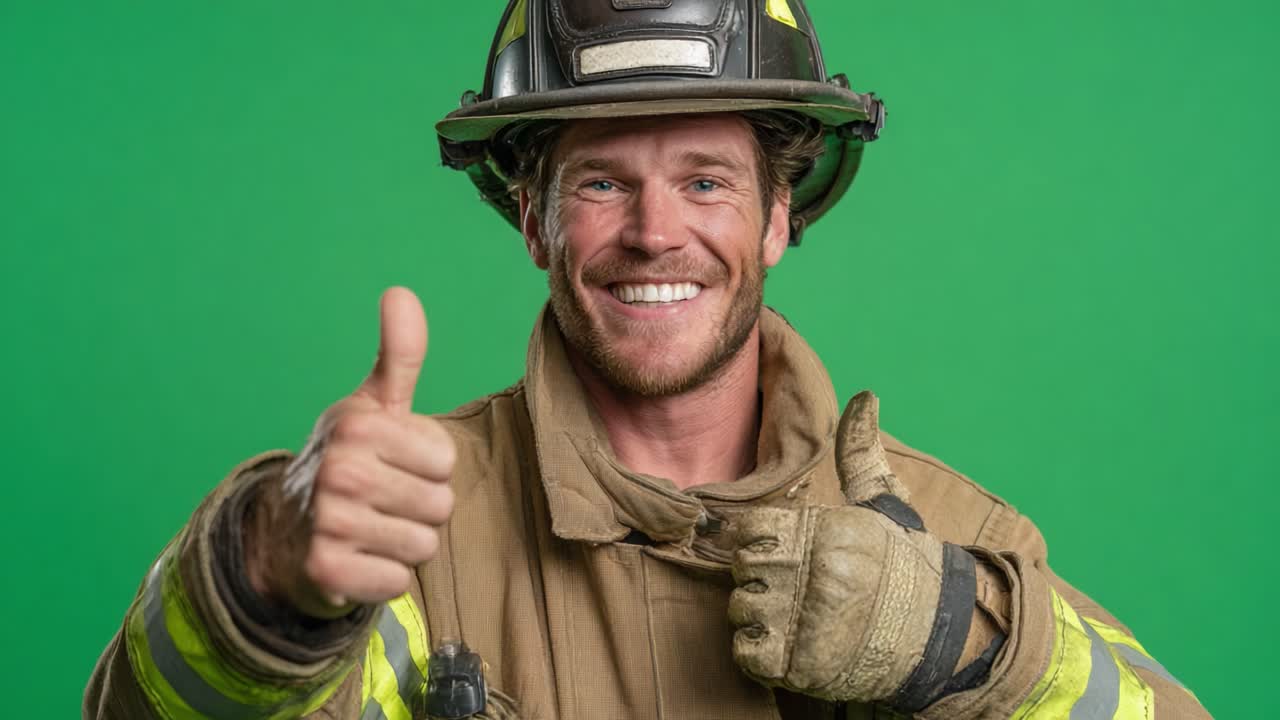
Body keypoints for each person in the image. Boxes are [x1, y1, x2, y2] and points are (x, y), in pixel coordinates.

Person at [84, 1, 1211, 718]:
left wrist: (960, 646)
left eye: (706, 180)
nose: (655, 232)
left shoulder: (945, 543)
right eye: (601, 181)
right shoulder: (404, 533)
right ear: (532, 222)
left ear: (779, 219)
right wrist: (263, 577)